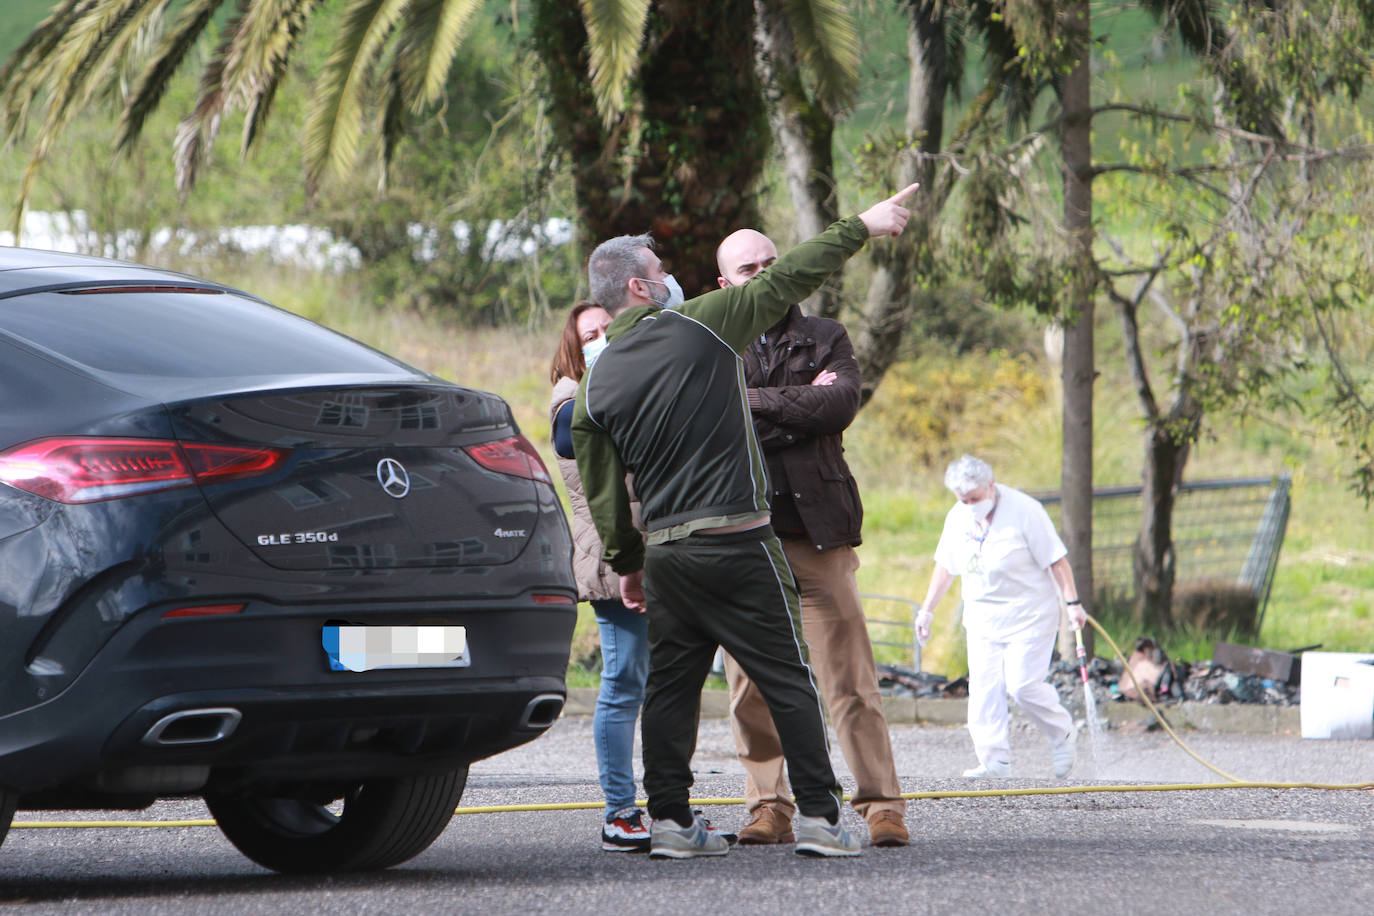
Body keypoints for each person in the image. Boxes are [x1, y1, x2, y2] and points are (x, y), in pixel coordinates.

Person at [571, 183, 919, 859]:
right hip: (738, 538)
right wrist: (864, 226)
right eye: (660, 271)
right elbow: (792, 275)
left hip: (668, 557)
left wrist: (627, 563)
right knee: (789, 677)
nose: (670, 278)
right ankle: (819, 818)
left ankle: (670, 823)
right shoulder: (700, 324)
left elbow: (603, 488)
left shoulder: (595, 383)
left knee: (669, 693)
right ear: (640, 290)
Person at [715, 229, 908, 848]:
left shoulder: (826, 335)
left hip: (818, 536)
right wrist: (797, 405)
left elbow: (839, 407)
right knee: (749, 684)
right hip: (743, 540)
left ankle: (882, 806)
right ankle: (768, 806)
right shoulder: (712, 342)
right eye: (750, 268)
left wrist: (755, 404)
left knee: (850, 681)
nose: (766, 273)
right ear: (725, 285)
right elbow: (718, 426)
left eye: (773, 262)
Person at [914, 455, 1088, 779]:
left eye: (975, 499)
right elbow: (945, 566)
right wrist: (927, 610)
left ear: (991, 487)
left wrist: (1073, 603)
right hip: (982, 617)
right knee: (984, 689)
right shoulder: (958, 517)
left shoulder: (1025, 512)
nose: (969, 505)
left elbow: (1057, 560)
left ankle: (1062, 732)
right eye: (962, 500)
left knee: (1022, 685)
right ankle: (994, 761)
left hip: (1030, 614)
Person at [549, 301, 651, 852]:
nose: (602, 339)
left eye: (609, 329)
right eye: (590, 334)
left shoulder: (620, 388)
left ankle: (668, 805)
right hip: (613, 560)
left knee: (661, 685)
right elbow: (586, 450)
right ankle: (620, 811)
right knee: (624, 683)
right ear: (573, 347)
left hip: (655, 552)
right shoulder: (571, 402)